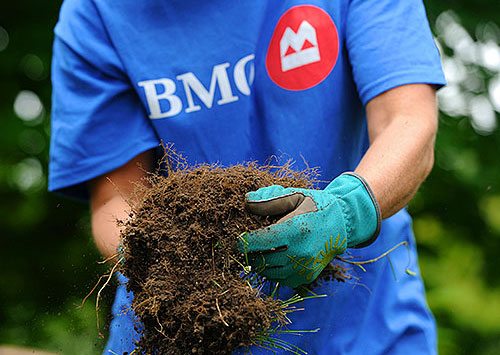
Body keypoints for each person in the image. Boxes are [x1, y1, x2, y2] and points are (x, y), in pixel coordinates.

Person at [49, 0, 446, 354]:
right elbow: (115, 199)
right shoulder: (97, 12)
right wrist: (162, 257)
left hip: (359, 327)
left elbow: (408, 119)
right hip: (180, 331)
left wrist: (347, 209)